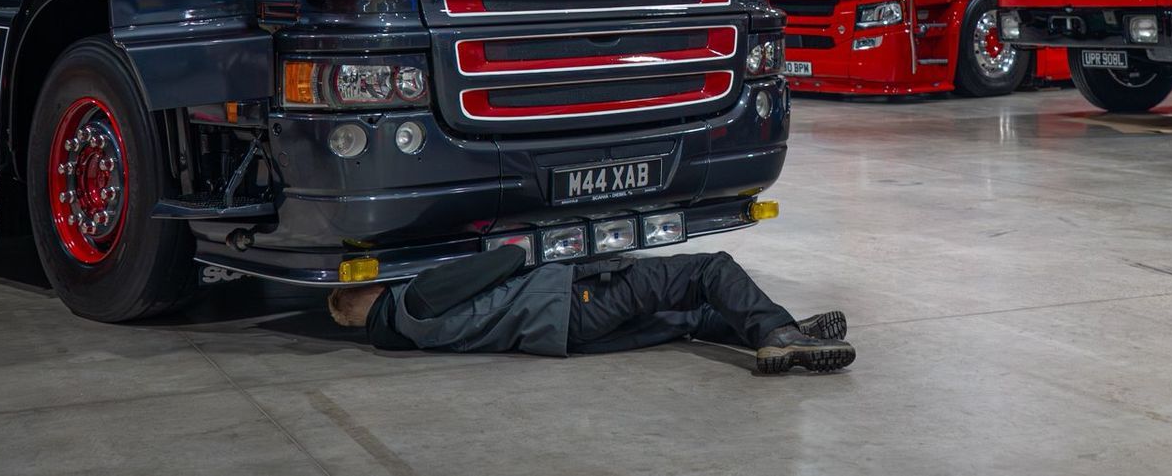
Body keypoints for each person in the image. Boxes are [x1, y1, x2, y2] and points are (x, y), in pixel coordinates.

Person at [328, 245, 854, 375]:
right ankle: (778, 332)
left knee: (687, 319)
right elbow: (508, 258)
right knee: (706, 271)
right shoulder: (414, 298)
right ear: (371, 296)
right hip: (572, 297)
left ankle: (784, 334)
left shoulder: (410, 336)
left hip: (568, 336)